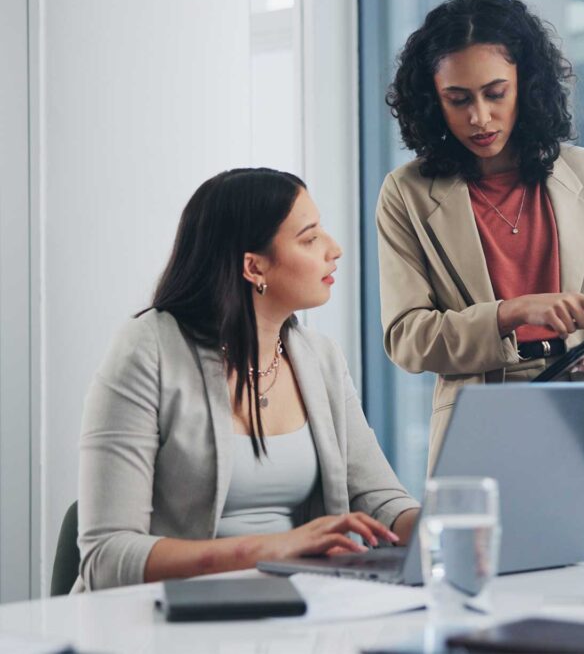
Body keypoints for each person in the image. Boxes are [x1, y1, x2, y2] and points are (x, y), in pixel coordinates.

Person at [377, 0, 584, 555]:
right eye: (458, 100)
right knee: (481, 618)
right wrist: (510, 314)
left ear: (525, 86)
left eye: (495, 94)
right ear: (433, 102)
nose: (479, 117)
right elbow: (406, 338)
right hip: (482, 428)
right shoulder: (406, 193)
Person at [76, 168, 419, 592]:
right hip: (163, 619)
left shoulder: (320, 358)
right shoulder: (148, 350)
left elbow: (381, 501)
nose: (335, 249)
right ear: (254, 267)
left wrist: (451, 521)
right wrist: (274, 548)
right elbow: (106, 557)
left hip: (294, 610)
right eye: (310, 238)